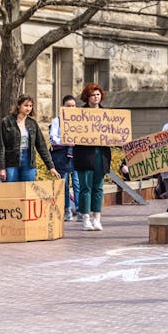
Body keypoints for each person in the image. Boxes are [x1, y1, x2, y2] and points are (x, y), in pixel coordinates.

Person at [74, 83, 112, 232]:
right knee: (85, 187)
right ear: (87, 97)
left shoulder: (108, 114)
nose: (96, 97)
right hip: (85, 155)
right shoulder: (79, 114)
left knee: (98, 188)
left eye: (98, 94)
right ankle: (85, 218)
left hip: (101, 155)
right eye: (92, 95)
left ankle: (97, 218)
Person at [0, 95, 60, 183]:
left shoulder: (32, 123)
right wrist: (1, 168)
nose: (28, 108)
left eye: (30, 106)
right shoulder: (7, 122)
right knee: (11, 191)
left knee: (29, 190)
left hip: (28, 160)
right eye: (26, 105)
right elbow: (1, 146)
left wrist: (51, 166)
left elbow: (42, 146)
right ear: (19, 106)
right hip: (11, 161)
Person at [50, 94, 80, 221]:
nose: (71, 108)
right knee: (65, 184)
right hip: (63, 156)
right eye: (68, 106)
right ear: (62, 107)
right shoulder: (57, 121)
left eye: (73, 106)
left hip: (77, 155)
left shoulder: (80, 120)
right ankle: (67, 209)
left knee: (78, 183)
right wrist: (66, 142)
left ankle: (80, 210)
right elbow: (53, 138)